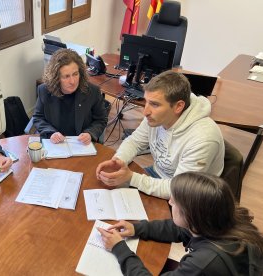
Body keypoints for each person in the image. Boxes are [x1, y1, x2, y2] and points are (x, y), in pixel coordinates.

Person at [97, 172, 263, 275]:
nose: (170, 201)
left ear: (191, 215)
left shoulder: (203, 264)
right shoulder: (219, 219)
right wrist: (137, 228)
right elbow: (181, 229)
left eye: (174, 202)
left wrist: (119, 248)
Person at [96, 70, 224, 199]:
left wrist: (132, 178)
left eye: (154, 104)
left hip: (189, 196)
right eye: (146, 101)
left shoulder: (203, 139)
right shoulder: (156, 117)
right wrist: (119, 160)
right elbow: (135, 141)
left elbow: (179, 190)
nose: (145, 112)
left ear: (179, 106)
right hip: (158, 174)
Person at [33, 48, 108, 145]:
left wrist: (90, 133)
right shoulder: (44, 90)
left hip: (81, 144)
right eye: (66, 76)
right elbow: (38, 117)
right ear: (56, 78)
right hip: (54, 144)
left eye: (75, 74)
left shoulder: (92, 91)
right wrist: (51, 133)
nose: (72, 81)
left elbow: (101, 119)